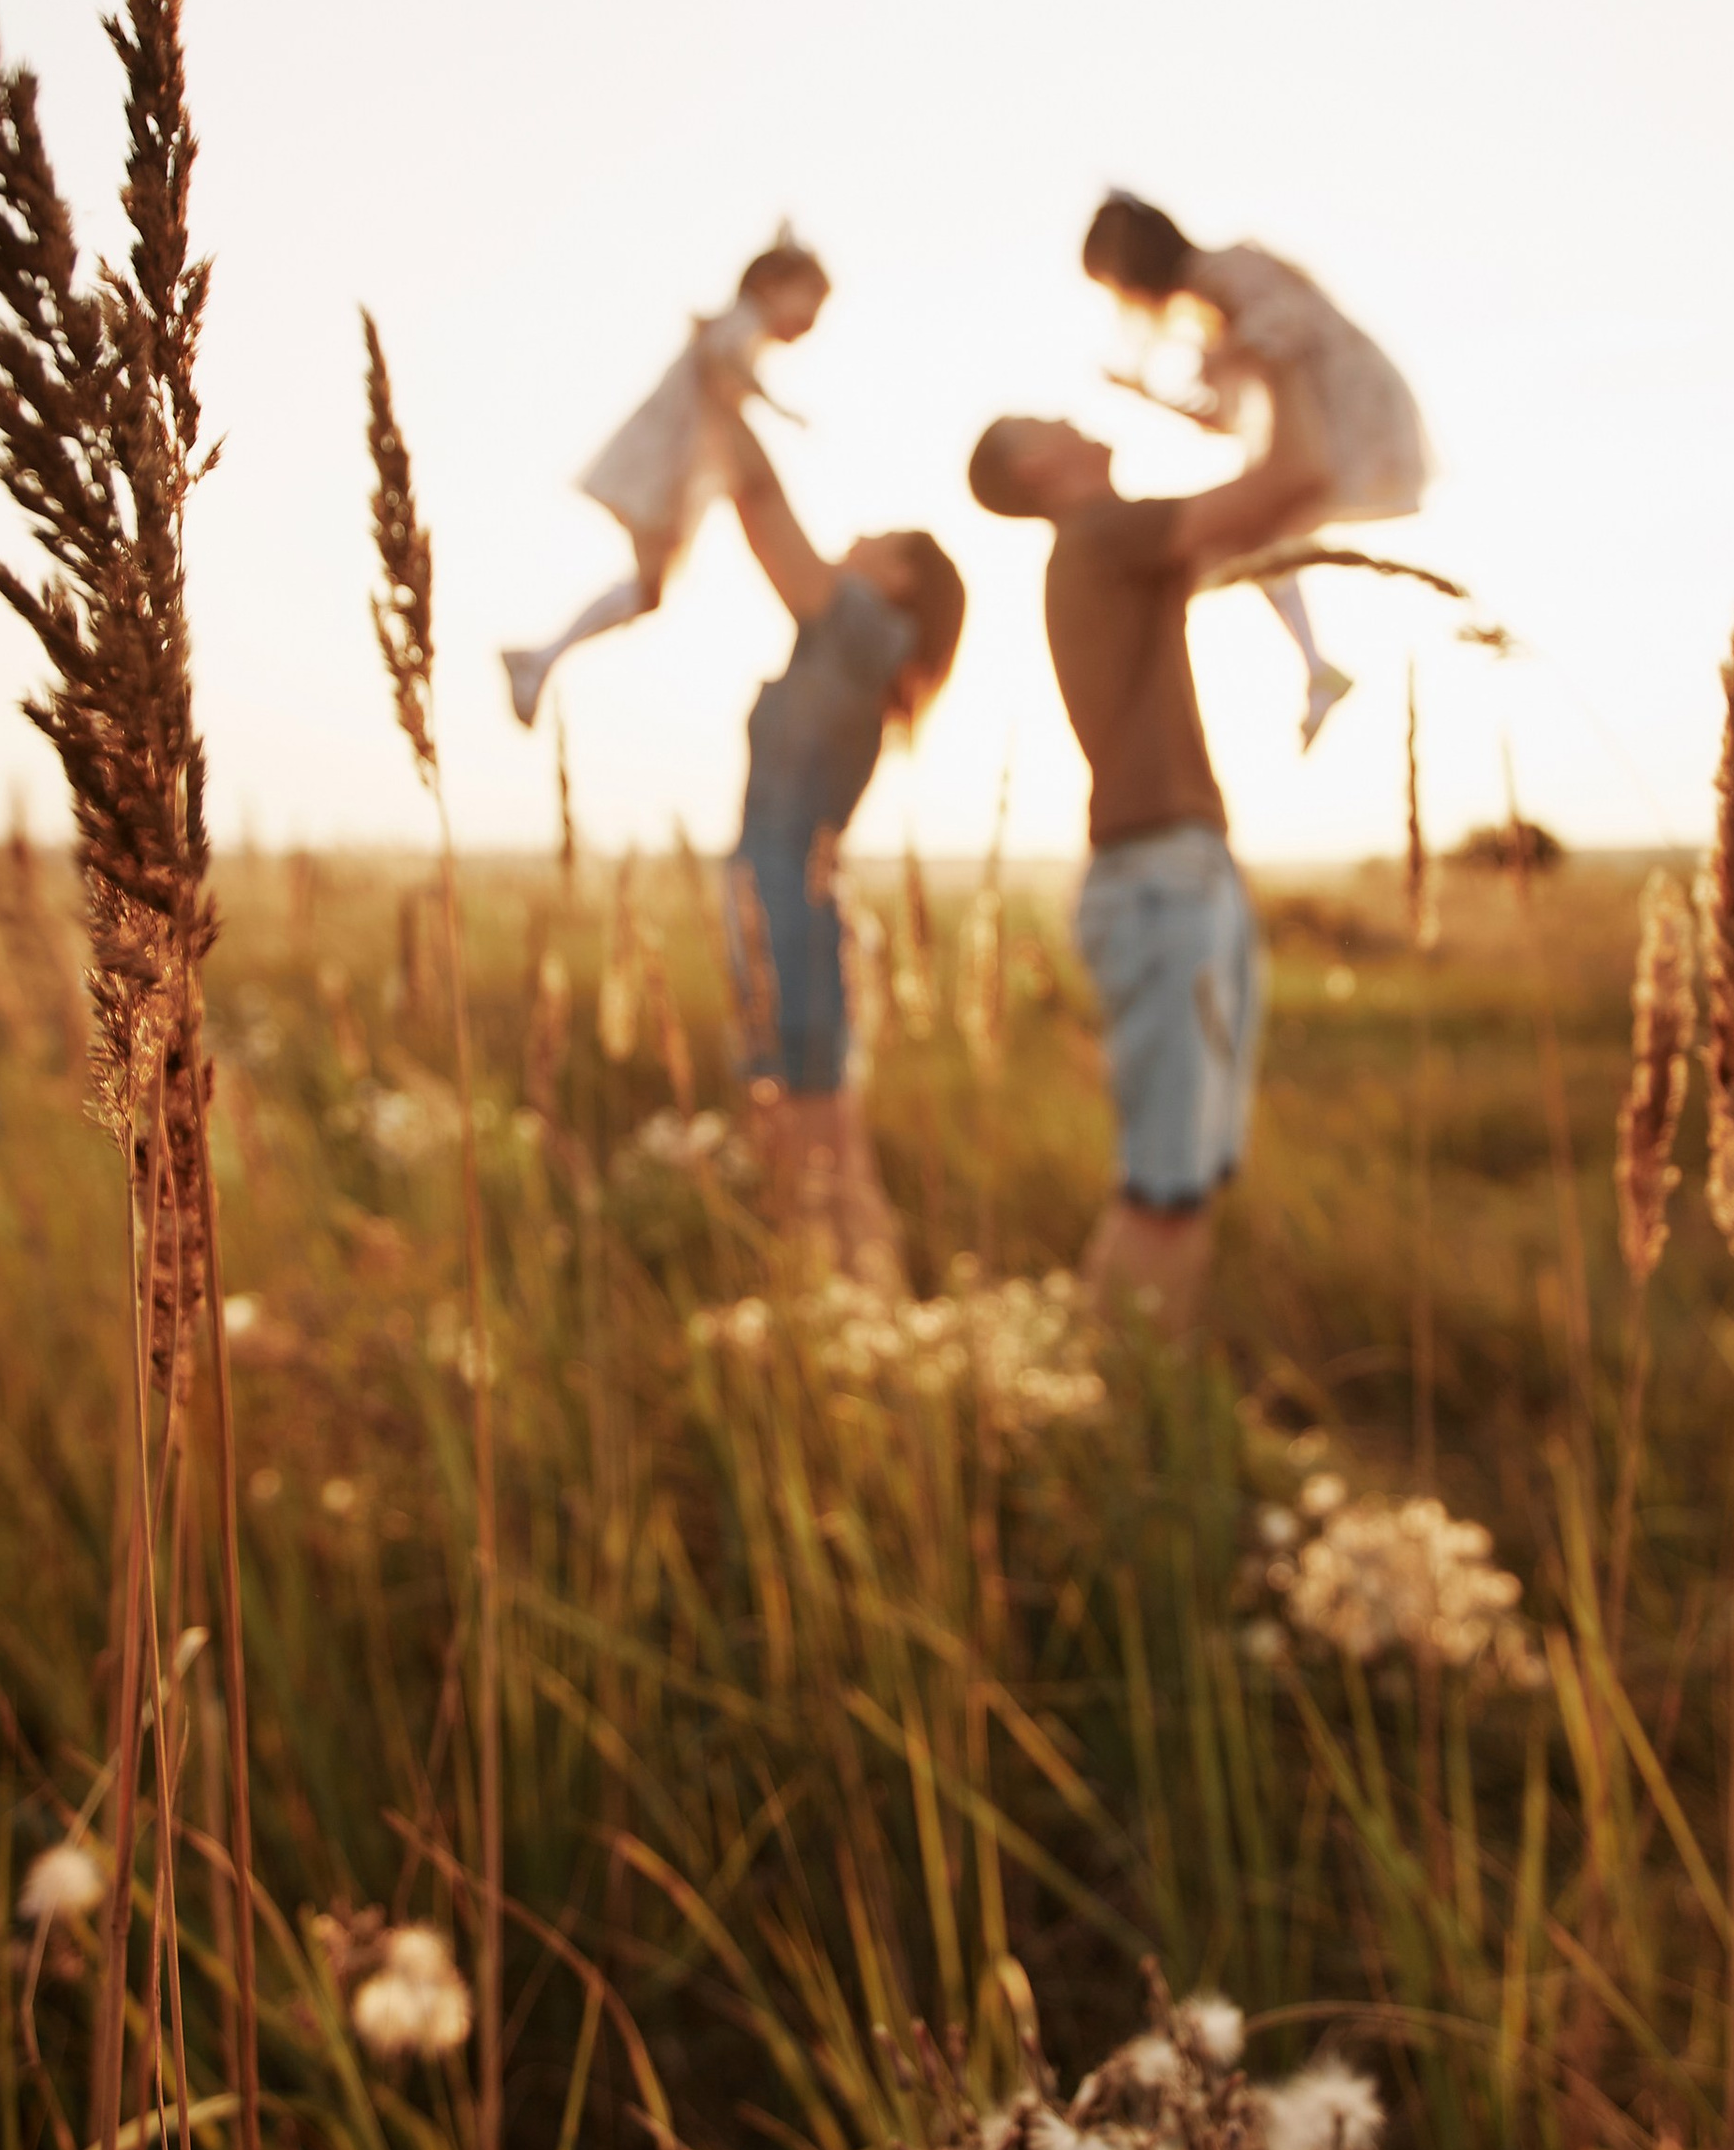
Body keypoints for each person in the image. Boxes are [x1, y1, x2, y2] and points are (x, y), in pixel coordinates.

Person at [966, 360, 1331, 1336]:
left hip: (1186, 871)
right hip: (1160, 879)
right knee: (1163, 1191)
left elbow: (1272, 518)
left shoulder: (1116, 547)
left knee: (1191, 1184)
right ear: (1038, 465)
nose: (1070, 411)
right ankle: (1120, 1422)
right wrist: (1272, 346)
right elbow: (1294, 480)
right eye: (1045, 410)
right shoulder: (1100, 535)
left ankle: (1145, 1402)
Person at [718, 410, 966, 1277]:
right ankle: (840, 1304)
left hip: (791, 903)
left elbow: (759, 506)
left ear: (900, 577)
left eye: (879, 535)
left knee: (818, 1139)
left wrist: (718, 391)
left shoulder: (869, 632)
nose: (856, 536)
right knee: (798, 1131)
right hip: (776, 900)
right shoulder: (847, 643)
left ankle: (865, 1306)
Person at [1081, 191, 1432, 750]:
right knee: (1260, 548)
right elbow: (1225, 418)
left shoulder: (1229, 269)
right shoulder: (1211, 312)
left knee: (1257, 542)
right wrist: (1149, 393)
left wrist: (1224, 356)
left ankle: (1316, 668)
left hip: (1347, 414)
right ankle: (1316, 667)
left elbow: (1283, 328)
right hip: (1318, 424)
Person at [500, 237, 831, 729]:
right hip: (668, 467)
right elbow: (720, 361)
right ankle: (538, 659)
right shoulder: (743, 322)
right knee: (651, 588)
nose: (811, 321)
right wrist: (773, 404)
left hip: (679, 471)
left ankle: (541, 658)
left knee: (651, 591)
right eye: (809, 300)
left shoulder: (746, 327)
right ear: (771, 285)